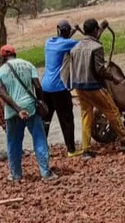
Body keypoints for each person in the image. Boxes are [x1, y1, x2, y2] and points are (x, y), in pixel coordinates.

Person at [69, 18, 125, 157]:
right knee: (112, 111)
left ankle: (86, 149)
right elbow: (100, 70)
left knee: (86, 115)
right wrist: (113, 78)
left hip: (79, 87)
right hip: (93, 86)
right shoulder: (96, 47)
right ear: (95, 30)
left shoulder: (75, 47)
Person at [0, 45, 55, 182]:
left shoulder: (0, 72)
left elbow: (2, 93)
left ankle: (16, 175)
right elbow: (38, 86)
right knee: (39, 139)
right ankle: (46, 173)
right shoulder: (28, 65)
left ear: (3, 57)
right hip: (31, 107)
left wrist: (18, 109)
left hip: (12, 111)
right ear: (14, 54)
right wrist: (40, 101)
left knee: (14, 143)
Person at [42, 20, 80, 157]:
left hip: (45, 87)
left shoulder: (48, 42)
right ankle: (71, 150)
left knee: (45, 119)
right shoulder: (69, 43)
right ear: (68, 32)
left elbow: (63, 40)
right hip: (58, 88)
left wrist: (72, 31)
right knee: (66, 119)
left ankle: (41, 150)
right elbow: (84, 44)